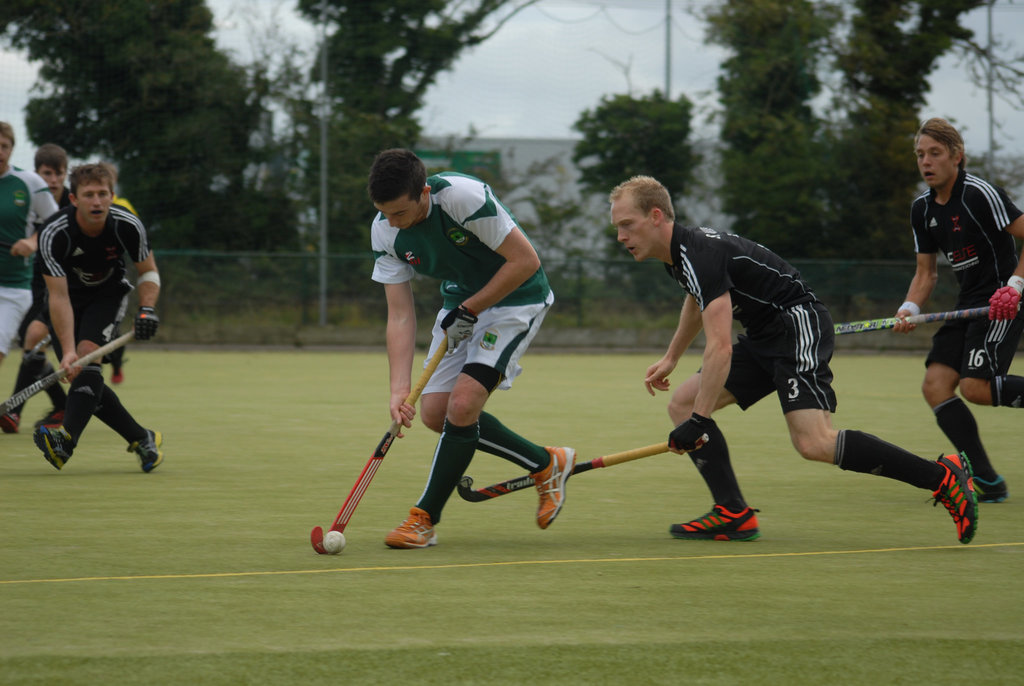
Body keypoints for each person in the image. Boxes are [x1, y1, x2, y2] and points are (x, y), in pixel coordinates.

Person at [608, 175, 978, 544]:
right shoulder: (681, 256)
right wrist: (672, 357)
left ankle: (941, 476)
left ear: (656, 216)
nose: (621, 236)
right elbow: (697, 297)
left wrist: (701, 421)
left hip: (796, 325)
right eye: (618, 228)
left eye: (627, 225)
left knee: (814, 442)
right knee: (683, 404)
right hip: (765, 334)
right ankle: (732, 512)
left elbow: (718, 347)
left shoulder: (698, 252)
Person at [367, 148, 573, 548]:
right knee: (434, 413)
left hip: (516, 300)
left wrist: (471, 308)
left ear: (423, 192)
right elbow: (400, 316)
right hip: (460, 306)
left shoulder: (463, 197)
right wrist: (398, 389)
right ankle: (547, 464)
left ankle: (422, 519)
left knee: (462, 405)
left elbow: (525, 261)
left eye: (401, 214)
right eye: (385, 214)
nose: (393, 224)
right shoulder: (384, 229)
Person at [893, 117, 1024, 504]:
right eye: (920, 154)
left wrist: (1014, 287)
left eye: (935, 153)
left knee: (975, 387)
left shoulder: (980, 194)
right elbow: (926, 273)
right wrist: (909, 307)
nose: (926, 162)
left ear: (956, 156)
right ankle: (987, 480)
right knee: (935, 386)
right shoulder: (922, 209)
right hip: (969, 305)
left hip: (1003, 301)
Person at [32, 162, 163, 472]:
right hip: (66, 298)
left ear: (112, 196)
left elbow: (149, 272)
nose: (97, 201)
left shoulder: (127, 224)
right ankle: (141, 437)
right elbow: (59, 296)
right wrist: (67, 350)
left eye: (103, 194)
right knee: (81, 371)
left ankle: (65, 444)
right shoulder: (54, 233)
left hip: (108, 295)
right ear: (74, 199)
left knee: (88, 356)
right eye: (89, 195)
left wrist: (146, 309)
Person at [3, 143, 71, 433]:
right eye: (46, 174)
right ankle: (62, 405)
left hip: (63, 285)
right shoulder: (31, 195)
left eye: (58, 174)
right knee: (31, 349)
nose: (52, 181)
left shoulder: (74, 201)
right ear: (37, 173)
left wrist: (33, 243)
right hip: (29, 283)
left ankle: (13, 411)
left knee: (33, 339)